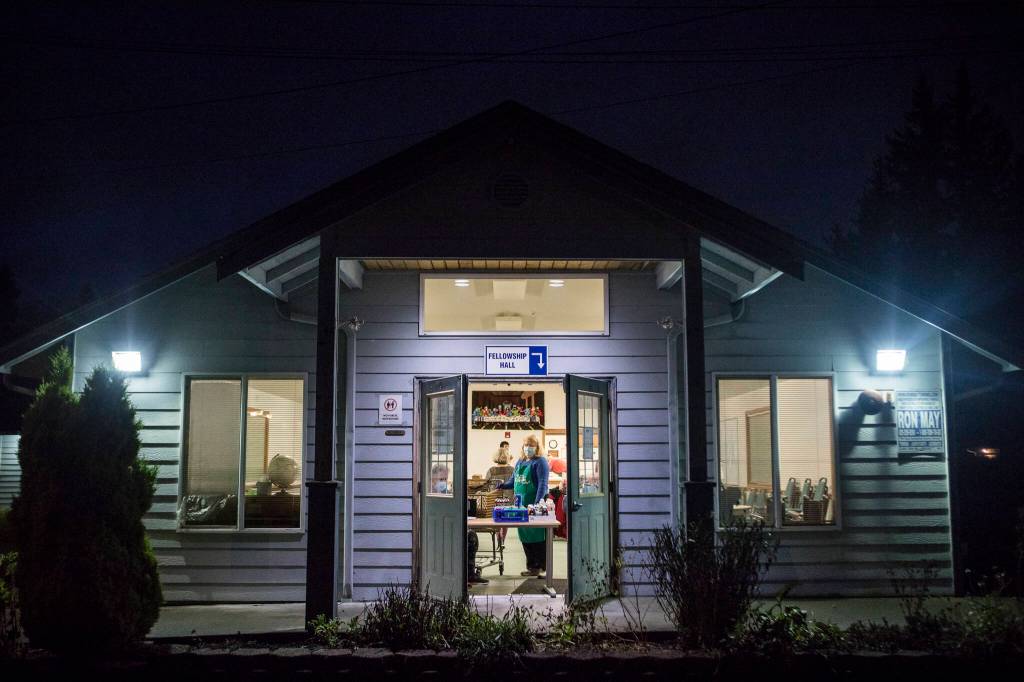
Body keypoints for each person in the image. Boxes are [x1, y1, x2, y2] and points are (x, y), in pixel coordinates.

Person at [497, 435, 550, 577]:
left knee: (537, 536)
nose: (528, 447)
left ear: (537, 447)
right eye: (526, 444)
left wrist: (535, 505)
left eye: (531, 445)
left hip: (534, 506)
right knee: (525, 536)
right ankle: (532, 568)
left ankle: (544, 568)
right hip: (520, 506)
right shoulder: (520, 461)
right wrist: (503, 485)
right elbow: (513, 481)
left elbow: (542, 485)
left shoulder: (541, 462)